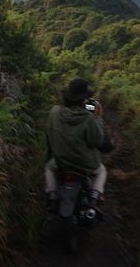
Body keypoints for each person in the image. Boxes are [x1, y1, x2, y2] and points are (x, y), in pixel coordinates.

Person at [44, 78, 108, 210]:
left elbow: (49, 134)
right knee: (101, 171)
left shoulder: (54, 112)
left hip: (61, 162)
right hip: (85, 164)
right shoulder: (88, 118)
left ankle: (52, 195)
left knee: (49, 168)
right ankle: (95, 197)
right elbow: (97, 141)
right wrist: (98, 118)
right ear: (84, 100)